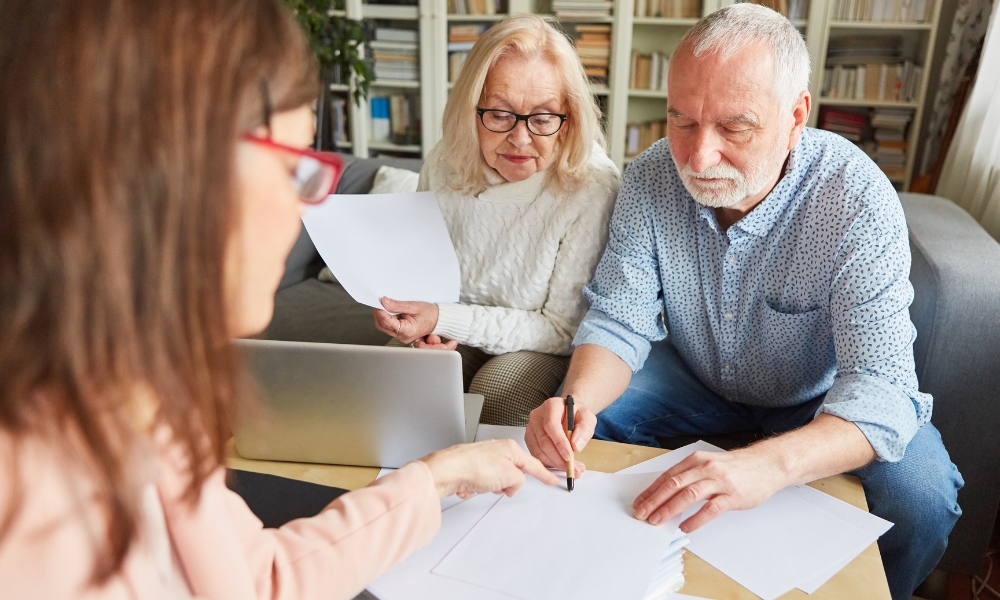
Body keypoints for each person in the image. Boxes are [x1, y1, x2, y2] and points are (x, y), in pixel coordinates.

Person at [0, 0, 561, 597]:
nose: (303, 209)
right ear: (165, 172)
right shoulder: (34, 499)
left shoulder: (136, 404)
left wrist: (437, 476)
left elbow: (258, 579)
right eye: (292, 168)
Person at [523, 5, 963, 599]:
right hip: (690, 379)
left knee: (923, 495)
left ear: (796, 116)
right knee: (581, 426)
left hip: (817, 400)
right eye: (681, 121)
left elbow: (883, 388)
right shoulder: (650, 177)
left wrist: (769, 466)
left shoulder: (856, 199)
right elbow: (619, 319)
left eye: (734, 128)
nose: (697, 157)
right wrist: (575, 403)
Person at [371, 15, 621, 427]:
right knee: (391, 379)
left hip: (540, 342)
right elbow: (423, 271)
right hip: (452, 322)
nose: (520, 139)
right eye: (500, 114)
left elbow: (562, 330)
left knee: (499, 395)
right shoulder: (445, 160)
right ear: (470, 109)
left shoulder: (591, 185)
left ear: (569, 118)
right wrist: (417, 323)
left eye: (543, 118)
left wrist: (443, 317)